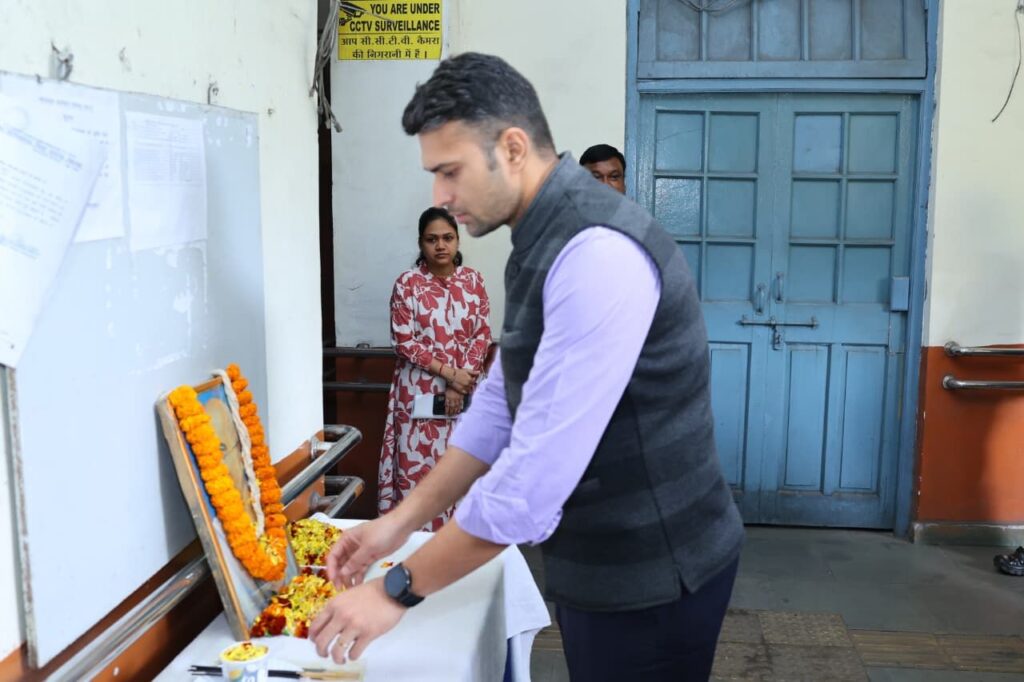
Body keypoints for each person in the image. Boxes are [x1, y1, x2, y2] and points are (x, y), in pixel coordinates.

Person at [310, 53, 744, 682]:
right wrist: (397, 523)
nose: (440, 197)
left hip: (655, 574)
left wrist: (395, 590)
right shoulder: (540, 235)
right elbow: (499, 401)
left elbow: (531, 483)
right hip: (601, 561)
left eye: (450, 171)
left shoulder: (596, 252)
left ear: (512, 148)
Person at [376, 206, 492, 531]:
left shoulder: (473, 281)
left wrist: (459, 382)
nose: (440, 245)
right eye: (432, 239)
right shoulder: (407, 285)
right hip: (419, 392)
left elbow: (482, 333)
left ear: (457, 240)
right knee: (420, 470)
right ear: (420, 243)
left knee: (464, 468)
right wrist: (451, 375)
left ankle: (461, 544)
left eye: (447, 238)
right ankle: (417, 545)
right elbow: (404, 341)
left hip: (467, 388)